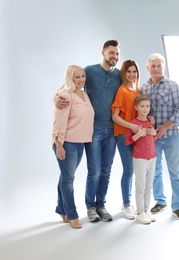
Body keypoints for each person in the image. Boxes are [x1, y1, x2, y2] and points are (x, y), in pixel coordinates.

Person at [55, 40, 122, 222]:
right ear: (103, 53)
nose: (114, 57)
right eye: (111, 53)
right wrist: (56, 97)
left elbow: (129, 90)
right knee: (94, 171)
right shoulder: (90, 71)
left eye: (117, 54)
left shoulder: (119, 75)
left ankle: (101, 205)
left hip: (113, 129)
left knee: (106, 171)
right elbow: (71, 84)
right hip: (93, 130)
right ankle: (90, 207)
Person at [139, 53, 179, 221]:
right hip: (152, 138)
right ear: (148, 68)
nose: (156, 69)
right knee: (155, 172)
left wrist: (164, 127)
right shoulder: (143, 89)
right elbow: (141, 112)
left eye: (159, 65)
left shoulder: (173, 86)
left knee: (176, 172)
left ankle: (178, 206)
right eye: (153, 66)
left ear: (164, 67)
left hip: (172, 136)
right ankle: (160, 201)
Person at [52, 65, 94, 229]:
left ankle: (61, 209)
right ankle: (71, 214)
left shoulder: (84, 95)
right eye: (77, 77)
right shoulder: (65, 96)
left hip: (80, 143)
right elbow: (58, 122)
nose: (81, 80)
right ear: (70, 78)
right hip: (66, 143)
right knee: (68, 180)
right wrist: (58, 144)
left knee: (65, 177)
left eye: (82, 76)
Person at [111, 60, 140, 220]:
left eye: (134, 71)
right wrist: (131, 126)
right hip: (123, 135)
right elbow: (115, 117)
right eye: (128, 71)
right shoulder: (122, 91)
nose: (131, 74)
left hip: (135, 136)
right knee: (128, 170)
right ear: (124, 73)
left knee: (132, 170)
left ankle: (126, 202)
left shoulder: (137, 91)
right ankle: (127, 204)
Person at [124, 94, 157, 224]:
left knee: (149, 186)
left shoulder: (150, 122)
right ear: (136, 107)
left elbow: (152, 138)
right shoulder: (133, 123)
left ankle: (147, 210)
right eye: (142, 106)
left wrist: (154, 134)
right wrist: (138, 134)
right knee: (141, 186)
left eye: (147, 106)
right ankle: (139, 212)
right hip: (140, 159)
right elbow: (127, 141)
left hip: (152, 157)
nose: (145, 109)